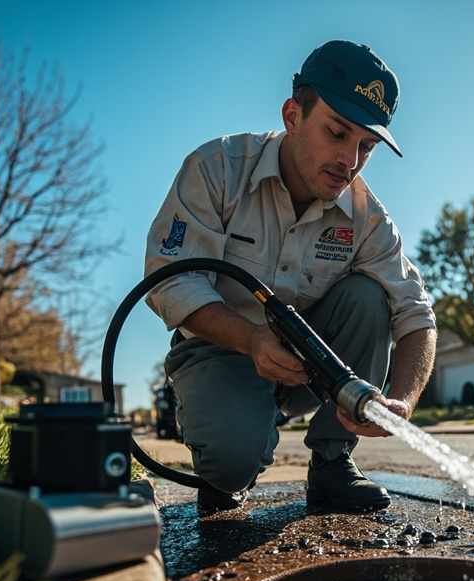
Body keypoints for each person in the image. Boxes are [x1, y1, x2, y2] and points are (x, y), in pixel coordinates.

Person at [144, 40, 437, 514]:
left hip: (313, 368)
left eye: (366, 145)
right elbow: (168, 279)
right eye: (337, 133)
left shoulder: (367, 217)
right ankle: (227, 449)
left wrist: (402, 402)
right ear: (292, 115)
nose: (351, 160)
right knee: (230, 465)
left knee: (369, 296)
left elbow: (416, 314)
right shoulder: (216, 169)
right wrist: (253, 341)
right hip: (221, 349)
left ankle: (332, 462)